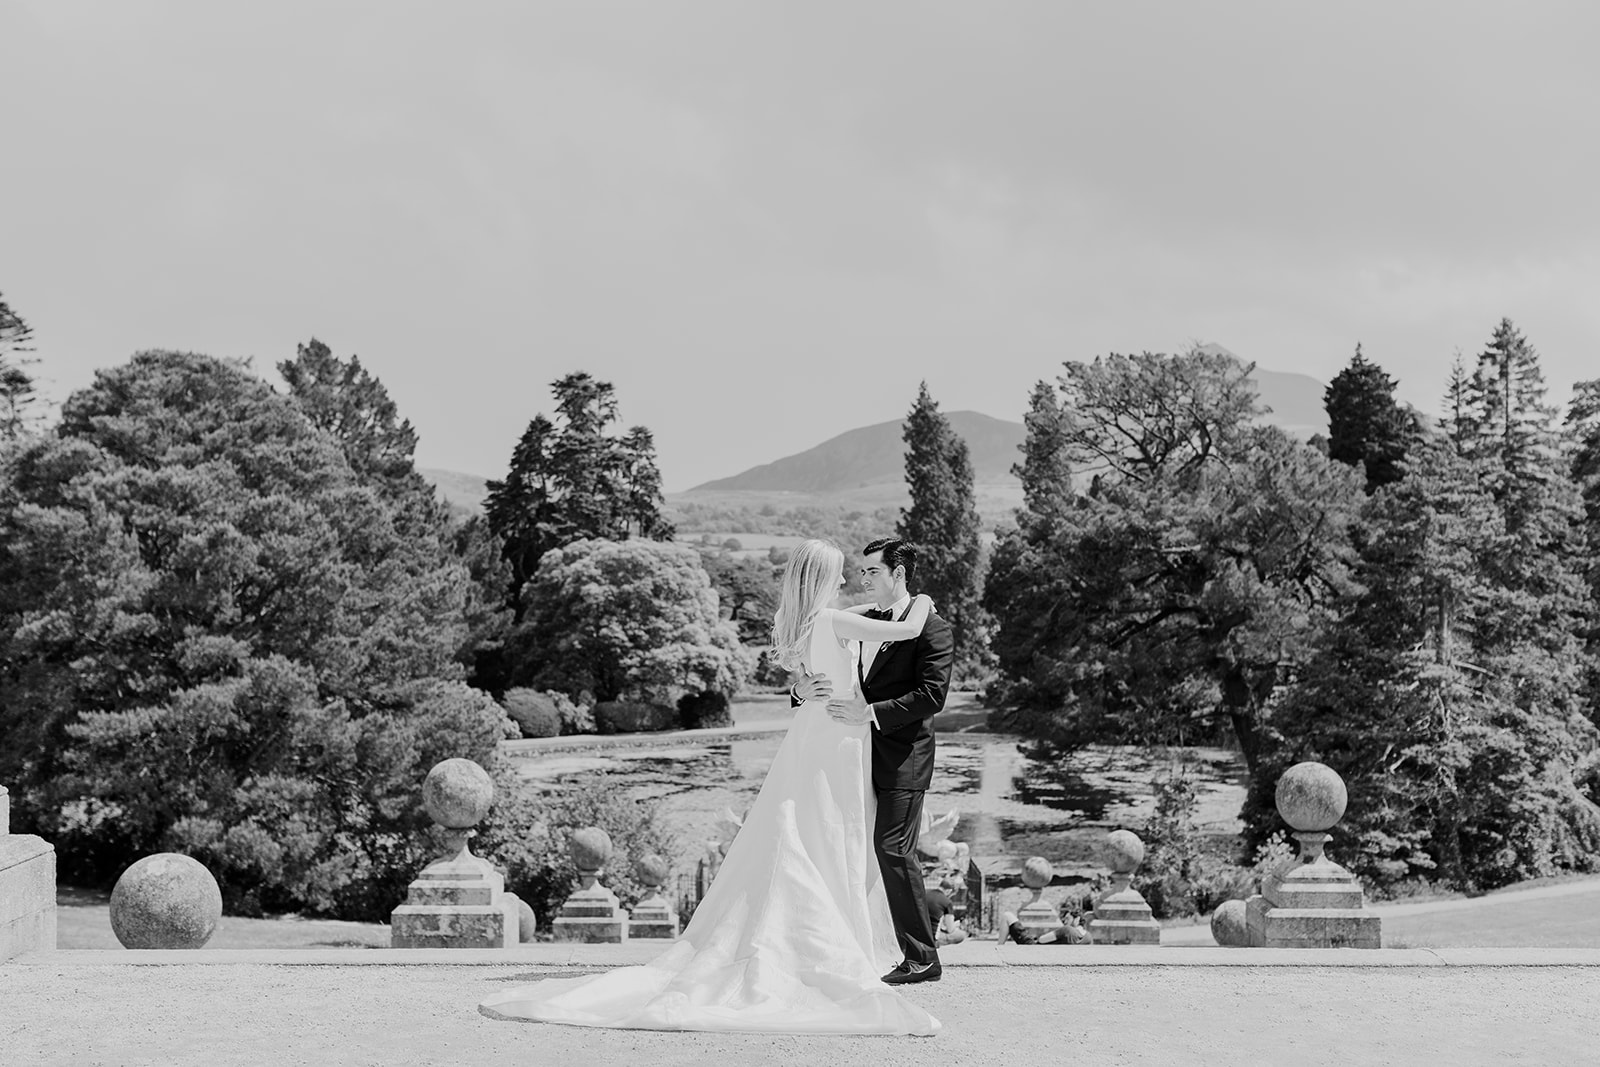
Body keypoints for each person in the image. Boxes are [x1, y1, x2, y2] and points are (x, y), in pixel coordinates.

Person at [480, 539, 941, 1036]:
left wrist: (800, 689)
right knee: (831, 834)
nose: (849, 579)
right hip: (836, 736)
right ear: (823, 578)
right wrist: (924, 603)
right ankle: (841, 941)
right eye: (840, 572)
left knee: (807, 829)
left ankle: (831, 936)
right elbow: (908, 627)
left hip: (814, 734)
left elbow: (818, 673)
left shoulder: (807, 621)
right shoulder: (833, 620)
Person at [794, 537, 956, 986]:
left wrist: (870, 714)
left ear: (898, 575)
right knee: (849, 849)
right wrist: (798, 692)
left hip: (905, 756)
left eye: (872, 572)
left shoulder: (933, 627)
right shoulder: (861, 621)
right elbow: (825, 671)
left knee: (892, 847)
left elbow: (932, 696)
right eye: (861, 572)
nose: (862, 579)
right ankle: (855, 942)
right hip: (855, 756)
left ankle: (923, 957)